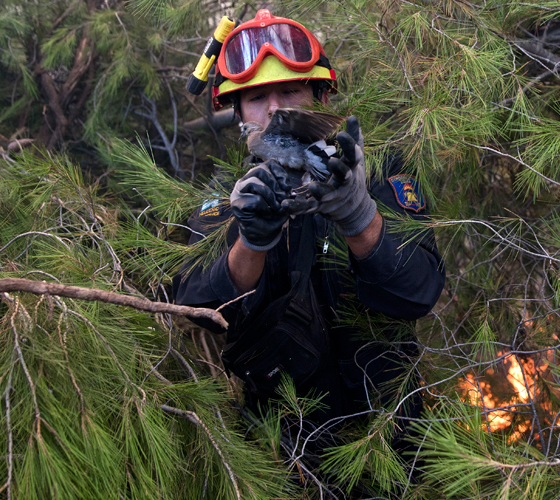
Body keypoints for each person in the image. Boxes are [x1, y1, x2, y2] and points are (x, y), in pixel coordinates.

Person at [173, 9, 444, 439]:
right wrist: (251, 241)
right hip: (280, 448)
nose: (276, 109)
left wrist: (359, 217)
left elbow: (419, 292)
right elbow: (199, 308)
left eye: (291, 90)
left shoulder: (377, 171)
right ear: (238, 111)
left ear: (322, 97)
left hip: (394, 435)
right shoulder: (223, 198)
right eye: (259, 97)